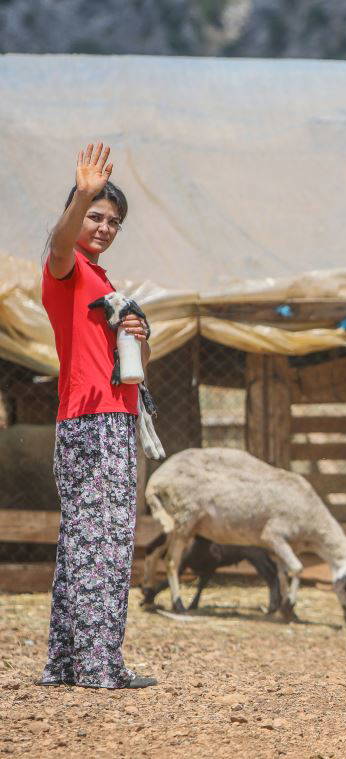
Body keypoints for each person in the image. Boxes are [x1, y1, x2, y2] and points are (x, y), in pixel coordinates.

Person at [37, 142, 156, 689]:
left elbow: (125, 363)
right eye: (96, 215)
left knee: (85, 538)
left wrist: (137, 336)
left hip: (109, 415)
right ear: (77, 213)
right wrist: (82, 191)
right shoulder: (68, 269)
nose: (105, 227)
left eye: (113, 221)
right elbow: (57, 243)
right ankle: (97, 665)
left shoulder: (103, 283)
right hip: (93, 419)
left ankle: (67, 663)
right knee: (103, 539)